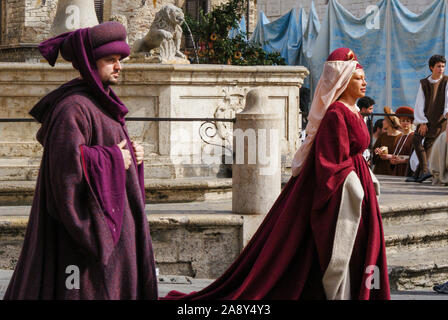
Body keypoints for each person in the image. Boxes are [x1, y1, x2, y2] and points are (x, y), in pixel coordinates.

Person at [163, 48, 390, 300]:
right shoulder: (336, 114)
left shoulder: (354, 111)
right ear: (344, 79)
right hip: (347, 190)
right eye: (359, 77)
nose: (365, 82)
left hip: (359, 184)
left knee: (364, 245)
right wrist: (355, 183)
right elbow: (328, 162)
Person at [3, 22, 158, 299]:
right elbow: (64, 168)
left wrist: (132, 156)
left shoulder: (102, 102)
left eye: (119, 60)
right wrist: (113, 158)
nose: (118, 66)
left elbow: (111, 149)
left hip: (117, 227)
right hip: (79, 241)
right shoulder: (72, 108)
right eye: (110, 60)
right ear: (89, 63)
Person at [408, 55, 448, 183]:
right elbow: (419, 103)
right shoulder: (424, 82)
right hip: (426, 119)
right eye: (438, 66)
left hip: (439, 120)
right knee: (416, 139)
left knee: (428, 144)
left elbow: (447, 101)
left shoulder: (446, 81)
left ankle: (420, 173)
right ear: (431, 67)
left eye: (443, 66)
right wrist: (422, 122)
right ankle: (423, 172)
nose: (441, 69)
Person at [372, 107, 402, 175]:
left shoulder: (400, 136)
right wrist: (376, 150)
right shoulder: (383, 135)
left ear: (389, 123)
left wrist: (390, 156)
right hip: (380, 170)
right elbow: (374, 149)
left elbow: (403, 155)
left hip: (393, 171)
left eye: (385, 120)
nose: (383, 121)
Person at [390, 107, 415, 176]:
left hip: (408, 169)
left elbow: (416, 156)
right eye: (403, 121)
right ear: (400, 122)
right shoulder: (399, 136)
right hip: (397, 169)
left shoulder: (413, 136)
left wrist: (402, 161)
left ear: (411, 123)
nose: (405, 123)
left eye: (408, 121)